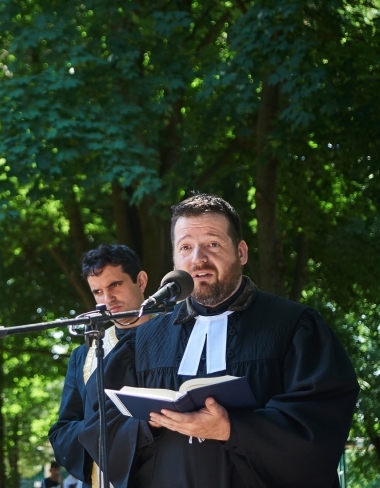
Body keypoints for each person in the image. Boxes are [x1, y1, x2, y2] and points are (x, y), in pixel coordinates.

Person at [79, 193, 359, 487]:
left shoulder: (294, 326)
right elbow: (99, 428)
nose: (198, 259)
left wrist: (230, 428)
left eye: (213, 244)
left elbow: (321, 420)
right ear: (175, 259)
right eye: (185, 247)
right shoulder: (144, 340)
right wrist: (149, 422)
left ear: (241, 252)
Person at [49, 244, 149, 486]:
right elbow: (62, 431)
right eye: (97, 292)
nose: (107, 300)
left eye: (115, 285)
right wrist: (106, 434)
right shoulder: (84, 355)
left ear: (141, 281)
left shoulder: (177, 336)